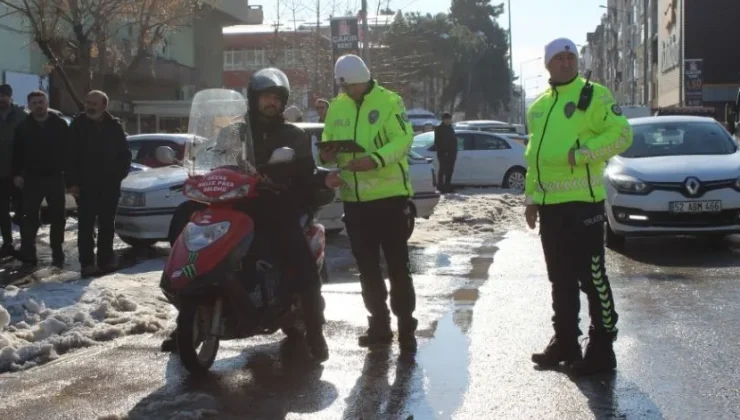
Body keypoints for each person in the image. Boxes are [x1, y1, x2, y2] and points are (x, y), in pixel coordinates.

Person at [161, 68, 341, 363]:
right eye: (266, 97)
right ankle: (187, 316)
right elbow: (212, 160)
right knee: (184, 217)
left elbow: (306, 175)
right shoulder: (234, 131)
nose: (271, 102)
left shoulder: (293, 136)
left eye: (276, 98)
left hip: (277, 205)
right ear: (254, 99)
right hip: (236, 202)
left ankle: (314, 329)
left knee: (301, 260)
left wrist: (323, 181)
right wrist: (196, 174)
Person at [525, 38, 633, 376]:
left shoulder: (594, 95)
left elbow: (622, 134)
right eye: (559, 57)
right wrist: (531, 199)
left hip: (584, 205)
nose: (567, 62)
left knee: (593, 278)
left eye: (571, 56)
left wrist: (582, 153)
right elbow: (534, 159)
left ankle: (602, 347)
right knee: (560, 279)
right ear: (547, 64)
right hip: (551, 208)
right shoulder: (539, 106)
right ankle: (565, 342)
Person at [319, 54, 418, 353]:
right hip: (355, 201)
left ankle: (406, 327)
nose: (346, 91)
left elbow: (403, 140)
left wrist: (374, 160)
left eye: (350, 86)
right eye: (343, 87)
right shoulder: (337, 106)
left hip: (389, 199)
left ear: (361, 79)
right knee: (367, 268)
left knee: (398, 266)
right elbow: (328, 141)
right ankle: (379, 325)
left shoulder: (389, 102)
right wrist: (327, 155)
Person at [67, 90, 132, 277]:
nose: (89, 106)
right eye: (87, 102)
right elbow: (68, 156)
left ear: (104, 106)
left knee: (106, 225)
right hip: (85, 185)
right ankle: (87, 263)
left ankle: (105, 260)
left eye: (94, 103)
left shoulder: (114, 126)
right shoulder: (77, 125)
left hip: (109, 185)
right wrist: (72, 182)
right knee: (86, 226)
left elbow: (125, 154)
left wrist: (119, 175)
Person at [12, 91, 70, 268]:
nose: (38, 105)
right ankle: (28, 251)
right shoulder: (23, 127)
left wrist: (70, 174)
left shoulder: (59, 124)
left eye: (41, 101)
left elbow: (70, 150)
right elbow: (17, 153)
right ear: (29, 106)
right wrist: (17, 174)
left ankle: (57, 248)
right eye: (34, 103)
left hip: (55, 177)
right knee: (30, 217)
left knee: (58, 216)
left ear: (47, 103)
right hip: (32, 178)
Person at [0, 84, 27, 256]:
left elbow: (30, 144)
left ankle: (26, 244)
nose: (2, 98)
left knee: (22, 211)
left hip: (18, 173)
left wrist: (24, 172)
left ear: (11, 97)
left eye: (5, 95)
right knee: (2, 210)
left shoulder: (21, 116)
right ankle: (8, 243)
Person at [434, 112, 457, 193]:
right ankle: (440, 186)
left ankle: (448, 186)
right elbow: (437, 142)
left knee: (450, 170)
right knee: (442, 170)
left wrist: (454, 152)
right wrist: (443, 151)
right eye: (447, 119)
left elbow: (453, 141)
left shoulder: (451, 128)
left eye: (450, 119)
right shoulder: (439, 128)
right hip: (443, 153)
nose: (449, 121)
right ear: (443, 120)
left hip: (452, 153)